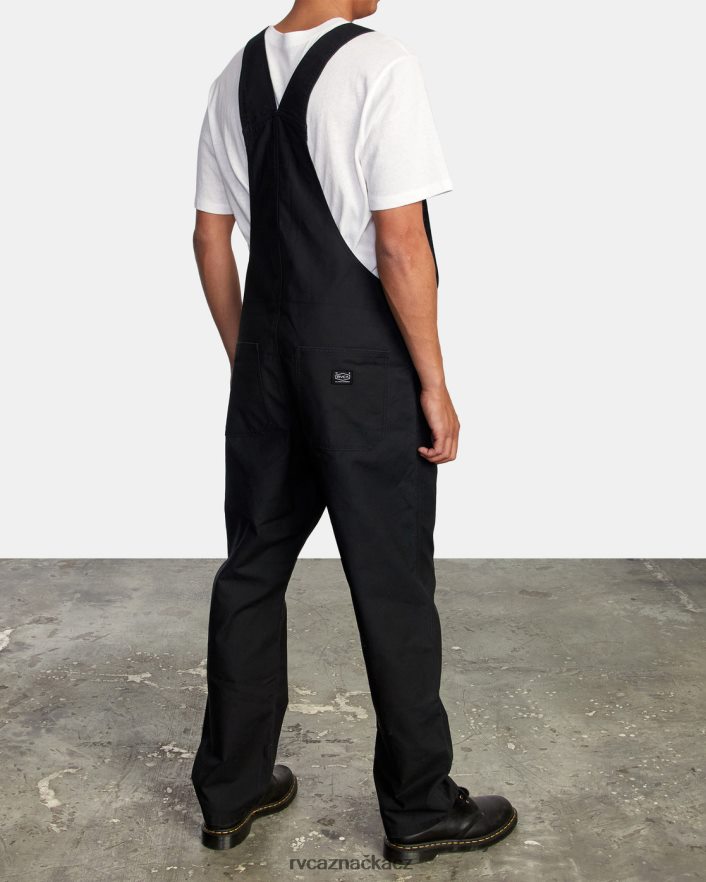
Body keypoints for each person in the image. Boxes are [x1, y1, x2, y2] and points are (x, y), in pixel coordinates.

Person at [190, 0, 518, 864]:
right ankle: (419, 808)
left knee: (252, 569)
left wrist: (251, 362)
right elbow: (400, 243)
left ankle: (230, 792)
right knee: (392, 583)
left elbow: (210, 238)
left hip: (267, 366)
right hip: (363, 372)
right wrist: (435, 385)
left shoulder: (232, 77)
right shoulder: (381, 65)